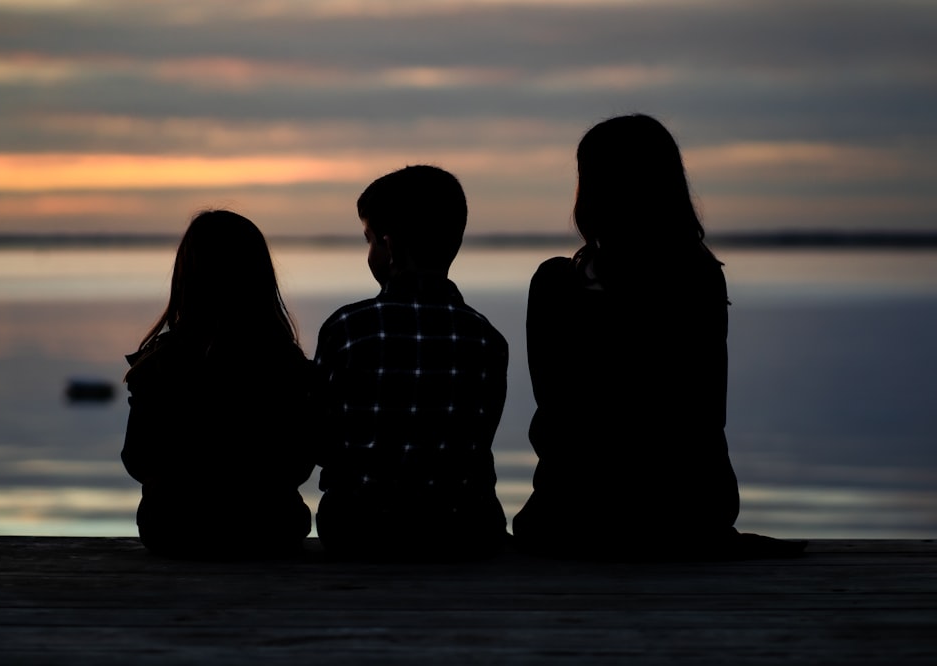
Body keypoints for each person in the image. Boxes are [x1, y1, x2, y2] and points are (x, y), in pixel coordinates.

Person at [512, 114, 806, 560]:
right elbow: (706, 412)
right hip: (689, 514)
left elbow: (556, 410)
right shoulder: (700, 277)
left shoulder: (558, 284)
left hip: (576, 515)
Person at [312, 165, 510, 560]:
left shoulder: (348, 328)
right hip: (462, 533)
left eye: (369, 240)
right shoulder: (487, 338)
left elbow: (319, 439)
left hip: (356, 531)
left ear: (389, 246)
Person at [121, 209, 313, 559]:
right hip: (272, 531)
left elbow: (138, 459)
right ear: (260, 277)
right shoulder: (286, 362)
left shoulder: (159, 363)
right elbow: (300, 462)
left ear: (186, 278)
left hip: (172, 531)